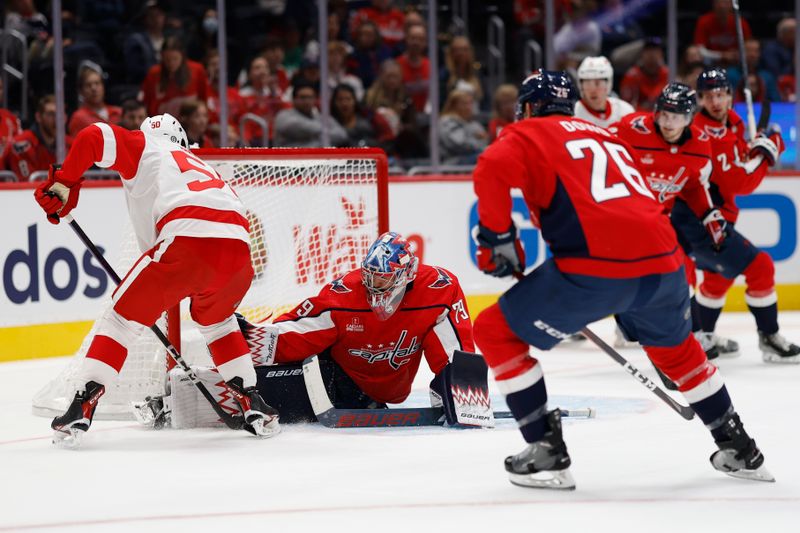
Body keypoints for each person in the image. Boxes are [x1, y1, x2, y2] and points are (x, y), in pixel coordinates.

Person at [471, 70, 771, 489]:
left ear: (526, 108)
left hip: (596, 265)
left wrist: (496, 239)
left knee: (493, 331)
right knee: (679, 353)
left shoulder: (526, 133)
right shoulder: (608, 136)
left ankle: (546, 450)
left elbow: (491, 166)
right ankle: (739, 447)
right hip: (666, 265)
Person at [33, 113, 280, 446]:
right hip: (239, 252)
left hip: (187, 239)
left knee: (121, 318)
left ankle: (83, 402)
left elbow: (93, 136)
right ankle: (252, 400)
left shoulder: (145, 145)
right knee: (219, 322)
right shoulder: (198, 164)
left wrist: (65, 181)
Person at [158, 232, 482, 428]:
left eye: (381, 279)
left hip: (384, 393)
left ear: (405, 277)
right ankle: (188, 393)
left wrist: (460, 392)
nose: (372, 286)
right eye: (369, 276)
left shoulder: (439, 289)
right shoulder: (346, 293)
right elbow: (302, 330)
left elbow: (453, 348)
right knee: (296, 379)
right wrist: (254, 337)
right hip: (339, 381)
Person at [671, 68, 800, 363]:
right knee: (760, 267)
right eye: (708, 96)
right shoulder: (703, 133)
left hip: (712, 217)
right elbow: (738, 183)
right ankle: (769, 337)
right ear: (700, 100)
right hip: (699, 219)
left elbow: (737, 159)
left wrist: (753, 147)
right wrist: (767, 152)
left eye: (721, 94)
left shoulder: (731, 124)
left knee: (718, 277)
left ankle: (703, 332)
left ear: (730, 96)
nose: (716, 101)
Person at [610, 83, 733, 359]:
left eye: (676, 117)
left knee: (681, 272)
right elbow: (598, 148)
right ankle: (635, 327)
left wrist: (709, 214)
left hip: (657, 222)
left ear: (689, 118)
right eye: (664, 115)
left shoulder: (700, 145)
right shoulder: (632, 128)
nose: (668, 123)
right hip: (620, 219)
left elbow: (694, 185)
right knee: (626, 279)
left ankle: (683, 335)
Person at [140, 37, 211, 116]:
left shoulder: (197, 70)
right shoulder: (154, 73)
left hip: (189, 123)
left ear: (182, 56)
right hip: (160, 122)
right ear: (162, 57)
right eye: (167, 59)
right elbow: (147, 102)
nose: (171, 63)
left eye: (175, 59)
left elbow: (203, 99)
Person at [1, 95, 65, 181]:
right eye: (51, 114)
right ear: (38, 117)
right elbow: (27, 186)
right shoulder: (21, 145)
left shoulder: (69, 143)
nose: (57, 119)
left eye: (60, 114)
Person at [273, 80, 347, 148]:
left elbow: (341, 135)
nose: (307, 101)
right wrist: (322, 136)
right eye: (303, 97)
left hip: (318, 160)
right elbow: (294, 126)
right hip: (289, 159)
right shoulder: (284, 115)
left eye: (310, 97)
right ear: (294, 99)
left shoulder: (321, 117)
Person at [573, 56, 634, 129]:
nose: (593, 90)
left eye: (597, 83)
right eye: (587, 84)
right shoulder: (573, 113)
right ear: (581, 85)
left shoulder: (624, 111)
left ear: (608, 84)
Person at [68, 66, 122, 136]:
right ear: (81, 91)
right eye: (88, 85)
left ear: (103, 86)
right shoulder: (78, 118)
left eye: (97, 83)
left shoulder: (118, 112)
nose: (93, 88)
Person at [439, 90, 488, 165]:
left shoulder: (473, 123)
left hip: (471, 157)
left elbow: (485, 139)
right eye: (464, 104)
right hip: (452, 163)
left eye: (470, 103)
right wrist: (479, 143)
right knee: (486, 156)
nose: (468, 107)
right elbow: (460, 144)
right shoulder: (447, 121)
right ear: (453, 105)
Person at [620, 38, 669, 111]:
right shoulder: (632, 75)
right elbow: (626, 104)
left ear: (661, 54)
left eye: (655, 51)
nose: (652, 55)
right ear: (642, 54)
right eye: (648, 51)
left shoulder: (667, 73)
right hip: (638, 116)